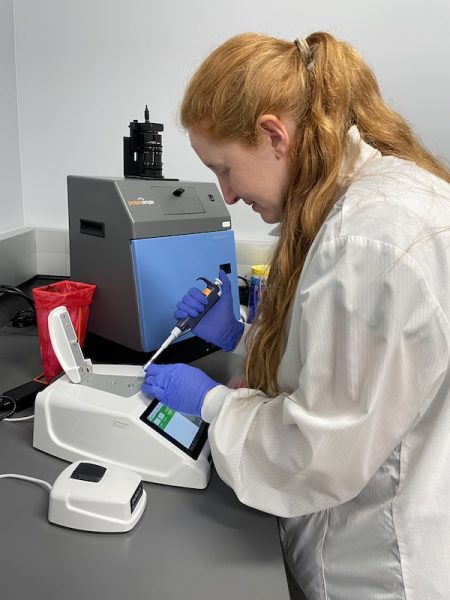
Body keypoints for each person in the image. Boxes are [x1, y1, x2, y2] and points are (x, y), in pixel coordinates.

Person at [142, 31, 450, 599]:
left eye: (225, 169)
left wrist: (211, 403)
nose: (226, 195)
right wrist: (239, 339)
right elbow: (342, 364)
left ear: (272, 135)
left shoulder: (370, 238)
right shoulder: (368, 200)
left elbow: (316, 452)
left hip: (375, 566)